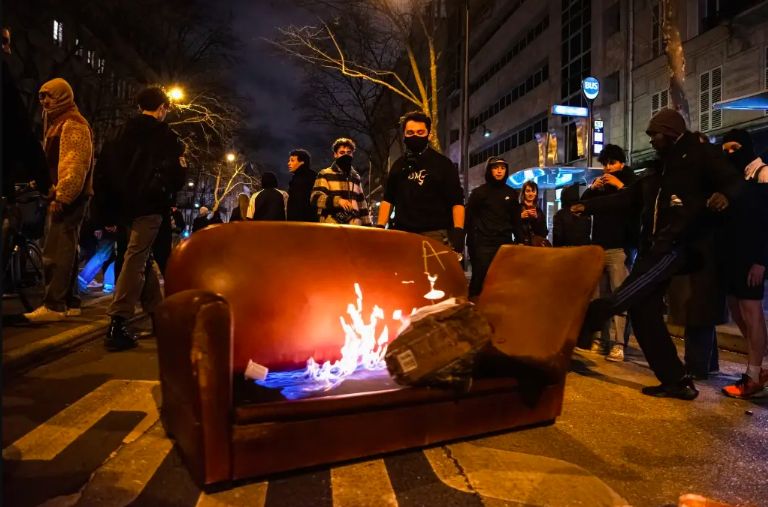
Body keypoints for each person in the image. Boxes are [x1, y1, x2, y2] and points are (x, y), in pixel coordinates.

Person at [577, 109, 741, 400]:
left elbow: (733, 180)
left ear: (671, 132)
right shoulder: (658, 170)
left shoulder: (700, 155)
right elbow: (627, 197)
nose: (651, 140)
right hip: (655, 246)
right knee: (643, 312)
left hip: (680, 243)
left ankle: (589, 319)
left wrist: (725, 195)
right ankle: (676, 380)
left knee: (629, 292)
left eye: (655, 134)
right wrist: (586, 207)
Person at [95, 86, 187, 350]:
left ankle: (160, 316)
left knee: (139, 257)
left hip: (123, 207)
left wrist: (105, 210)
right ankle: (117, 321)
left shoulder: (117, 133)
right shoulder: (167, 136)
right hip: (150, 206)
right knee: (135, 259)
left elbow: (103, 173)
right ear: (162, 109)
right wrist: (163, 192)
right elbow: (177, 176)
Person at [24, 78, 94, 322]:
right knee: (65, 249)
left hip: (67, 197)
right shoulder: (56, 121)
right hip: (62, 194)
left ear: (63, 97)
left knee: (56, 249)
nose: (44, 101)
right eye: (41, 96)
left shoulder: (72, 124)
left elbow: (75, 165)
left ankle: (54, 305)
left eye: (49, 96)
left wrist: (62, 195)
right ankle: (69, 301)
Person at [719, 129, 768, 398]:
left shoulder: (763, 173)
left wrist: (761, 261)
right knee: (737, 311)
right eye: (725, 149)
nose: (729, 153)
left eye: (734, 147)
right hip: (734, 256)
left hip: (752, 257)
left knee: (751, 313)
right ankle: (757, 368)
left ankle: (753, 376)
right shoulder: (737, 178)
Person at [376, 111, 464, 254]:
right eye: (410, 133)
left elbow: (457, 201)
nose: (415, 136)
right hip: (403, 234)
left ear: (429, 135)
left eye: (420, 132)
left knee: (434, 276)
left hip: (434, 235)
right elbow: (388, 200)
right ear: (404, 135)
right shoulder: (398, 166)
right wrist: (380, 227)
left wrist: (458, 230)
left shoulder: (443, 164)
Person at [579, 144, 636, 361]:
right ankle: (600, 340)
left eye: (612, 163)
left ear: (621, 163)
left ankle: (619, 343)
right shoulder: (601, 185)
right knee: (599, 297)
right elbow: (583, 206)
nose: (608, 168)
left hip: (620, 247)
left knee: (619, 296)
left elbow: (637, 203)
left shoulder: (630, 182)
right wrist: (593, 188)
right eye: (605, 164)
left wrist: (620, 185)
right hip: (599, 247)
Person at [465, 157, 519, 297]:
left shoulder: (511, 193)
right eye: (495, 168)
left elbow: (516, 220)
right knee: (479, 279)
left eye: (502, 167)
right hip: (483, 244)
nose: (499, 171)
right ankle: (472, 310)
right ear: (489, 170)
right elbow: (468, 218)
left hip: (505, 243)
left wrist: (521, 241)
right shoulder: (479, 193)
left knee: (504, 280)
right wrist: (466, 243)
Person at [311, 138, 372, 226]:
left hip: (354, 227)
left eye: (349, 152)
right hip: (331, 226)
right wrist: (338, 201)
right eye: (342, 153)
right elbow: (315, 198)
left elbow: (362, 205)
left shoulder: (355, 177)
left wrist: (368, 227)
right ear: (335, 154)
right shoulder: (325, 174)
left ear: (352, 154)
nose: (346, 155)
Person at [552, 183, 590, 247]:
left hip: (566, 251)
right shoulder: (585, 213)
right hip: (583, 251)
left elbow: (557, 237)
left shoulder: (559, 214)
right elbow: (587, 234)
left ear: (562, 197)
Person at [286, 149, 317, 222]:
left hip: (302, 224)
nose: (289, 163)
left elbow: (299, 205)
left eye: (292, 160)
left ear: (302, 162)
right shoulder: (312, 176)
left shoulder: (300, 180)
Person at [517, 180, 548, 246]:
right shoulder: (517, 208)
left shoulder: (539, 211)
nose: (530, 194)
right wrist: (519, 217)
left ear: (536, 193)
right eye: (528, 191)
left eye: (533, 191)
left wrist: (537, 219)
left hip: (536, 246)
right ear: (523, 193)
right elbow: (511, 228)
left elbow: (544, 233)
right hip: (521, 245)